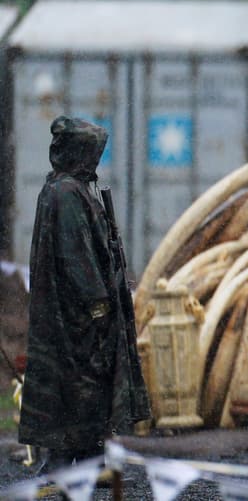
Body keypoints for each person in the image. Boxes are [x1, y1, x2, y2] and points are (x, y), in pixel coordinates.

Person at [19, 115, 150, 472]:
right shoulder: (66, 194)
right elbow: (77, 258)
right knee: (82, 404)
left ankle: (77, 473)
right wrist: (101, 309)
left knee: (84, 414)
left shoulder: (66, 189)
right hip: (78, 327)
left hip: (74, 324)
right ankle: (64, 475)